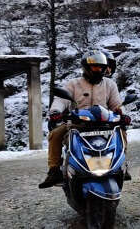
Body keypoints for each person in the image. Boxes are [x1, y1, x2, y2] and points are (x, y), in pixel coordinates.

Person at [38, 50, 130, 189]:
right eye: (94, 67)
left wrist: (123, 114)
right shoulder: (73, 84)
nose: (98, 70)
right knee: (55, 134)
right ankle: (54, 170)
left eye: (100, 67)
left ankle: (122, 164)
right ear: (86, 67)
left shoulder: (110, 85)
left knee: (121, 131)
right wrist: (56, 111)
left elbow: (116, 104)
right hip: (77, 124)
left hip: (104, 124)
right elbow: (61, 100)